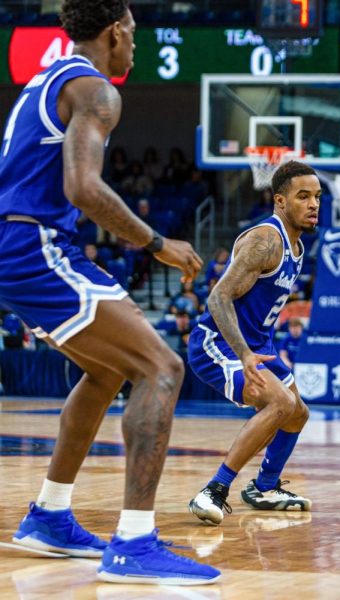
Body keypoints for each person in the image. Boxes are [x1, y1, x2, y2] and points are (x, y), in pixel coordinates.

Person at [0, 0, 215, 584]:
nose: (137, 45)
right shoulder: (96, 91)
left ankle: (48, 514)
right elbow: (83, 188)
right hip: (35, 246)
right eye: (136, 34)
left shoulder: (44, 80)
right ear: (116, 32)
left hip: (19, 248)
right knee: (162, 368)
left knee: (106, 372)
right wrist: (156, 243)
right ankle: (135, 543)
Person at [186, 161, 316, 527]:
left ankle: (265, 486)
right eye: (302, 196)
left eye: (317, 196)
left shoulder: (296, 245)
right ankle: (214, 490)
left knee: (298, 413)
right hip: (219, 344)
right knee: (280, 402)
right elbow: (217, 298)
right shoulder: (265, 240)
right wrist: (243, 354)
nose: (313, 204)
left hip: (258, 343)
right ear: (279, 200)